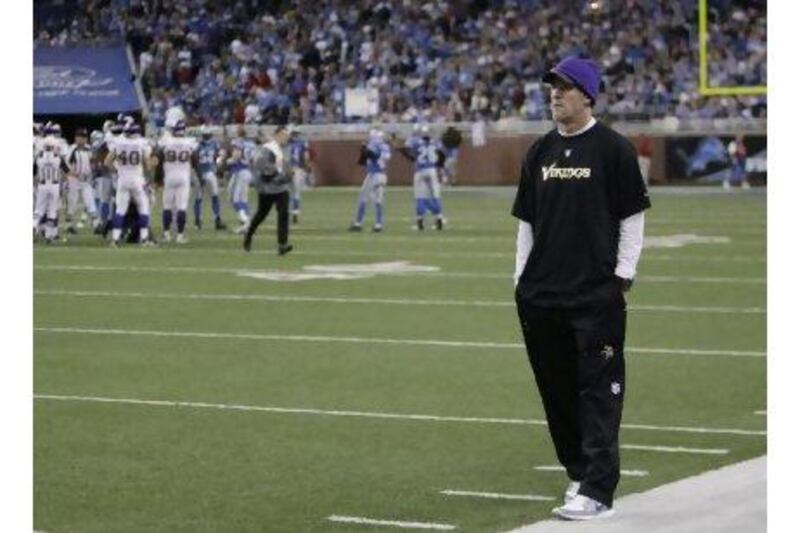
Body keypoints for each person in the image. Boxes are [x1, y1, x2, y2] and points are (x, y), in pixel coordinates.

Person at [512, 57, 650, 521]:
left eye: (565, 88)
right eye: (552, 87)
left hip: (595, 295)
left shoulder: (614, 149)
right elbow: (527, 223)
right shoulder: (539, 151)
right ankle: (577, 469)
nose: (555, 94)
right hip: (542, 295)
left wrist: (622, 277)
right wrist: (520, 281)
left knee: (599, 391)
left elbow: (632, 216)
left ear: (588, 95)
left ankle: (598, 488)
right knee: (556, 389)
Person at [105, 121, 156, 246]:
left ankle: (115, 239)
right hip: (137, 179)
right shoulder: (141, 143)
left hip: (122, 179)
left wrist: (117, 171)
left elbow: (107, 162)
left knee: (120, 210)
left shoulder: (118, 143)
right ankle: (144, 239)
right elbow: (148, 166)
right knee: (143, 208)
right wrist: (153, 162)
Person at [243, 126, 293, 255]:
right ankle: (249, 234)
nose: (286, 138)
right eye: (284, 135)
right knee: (261, 214)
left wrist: (288, 174)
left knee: (284, 214)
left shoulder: (281, 148)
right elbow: (261, 166)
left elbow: (283, 166)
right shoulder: (269, 148)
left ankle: (282, 244)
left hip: (281, 188)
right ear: (277, 135)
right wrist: (278, 175)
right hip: (268, 188)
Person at [156, 120, 198, 243]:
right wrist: (198, 174)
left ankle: (166, 234)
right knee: (182, 207)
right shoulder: (190, 142)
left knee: (167, 206)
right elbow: (195, 160)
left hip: (169, 176)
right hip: (184, 176)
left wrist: (158, 178)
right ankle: (179, 235)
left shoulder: (166, 142)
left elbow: (159, 158)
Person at [399, 124, 446, 230]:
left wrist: (407, 154)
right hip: (432, 170)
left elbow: (407, 150)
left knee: (420, 197)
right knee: (435, 196)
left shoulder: (414, 140)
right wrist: (440, 168)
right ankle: (439, 219)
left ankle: (420, 221)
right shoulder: (435, 142)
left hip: (420, 171)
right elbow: (442, 155)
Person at [349, 128, 391, 232]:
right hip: (382, 175)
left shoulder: (373, 144)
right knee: (378, 200)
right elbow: (365, 161)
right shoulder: (385, 146)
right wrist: (364, 152)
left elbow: (372, 157)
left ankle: (358, 223)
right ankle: (378, 224)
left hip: (373, 175)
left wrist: (366, 151)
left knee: (363, 198)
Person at [34, 134, 71, 244]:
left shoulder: (38, 157)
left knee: (39, 210)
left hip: (42, 185)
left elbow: (33, 172)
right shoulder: (58, 157)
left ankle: (34, 226)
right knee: (52, 211)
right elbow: (67, 171)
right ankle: (49, 236)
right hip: (54, 185)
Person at [65, 128, 100, 234]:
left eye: (85, 137)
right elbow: (65, 164)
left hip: (85, 179)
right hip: (74, 179)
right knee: (72, 202)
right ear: (76, 138)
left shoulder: (89, 149)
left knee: (90, 201)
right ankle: (68, 225)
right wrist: (71, 174)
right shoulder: (72, 149)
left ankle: (96, 225)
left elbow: (93, 162)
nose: (83, 140)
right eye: (81, 137)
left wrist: (93, 169)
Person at [193, 125, 228, 231]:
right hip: (209, 173)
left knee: (199, 198)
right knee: (214, 197)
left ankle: (197, 221)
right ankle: (217, 220)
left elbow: (194, 160)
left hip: (199, 172)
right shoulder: (214, 144)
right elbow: (219, 157)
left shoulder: (197, 145)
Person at [286, 125, 311, 224]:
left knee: (287, 192)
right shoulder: (302, 143)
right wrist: (307, 166)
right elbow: (305, 156)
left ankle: (286, 213)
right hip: (297, 169)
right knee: (296, 193)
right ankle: (295, 212)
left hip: (287, 169)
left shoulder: (285, 143)